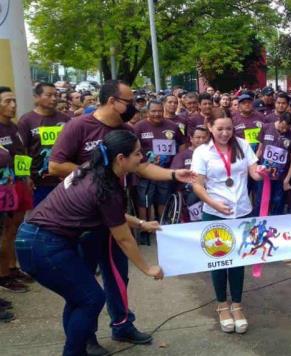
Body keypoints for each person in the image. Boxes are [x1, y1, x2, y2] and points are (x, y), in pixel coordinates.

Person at [49, 80, 195, 353]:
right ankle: (86, 335)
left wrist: (175, 174)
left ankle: (122, 324)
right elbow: (55, 165)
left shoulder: (126, 130)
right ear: (111, 101)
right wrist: (96, 174)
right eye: (129, 101)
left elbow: (143, 166)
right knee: (85, 284)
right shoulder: (79, 126)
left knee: (117, 273)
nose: (133, 106)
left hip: (116, 209)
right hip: (86, 219)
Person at [16, 130, 164, 356]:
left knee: (79, 298)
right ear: (120, 159)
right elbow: (123, 238)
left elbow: (112, 213)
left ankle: (77, 350)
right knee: (91, 299)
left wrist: (142, 224)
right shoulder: (106, 189)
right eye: (136, 153)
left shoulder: (93, 171)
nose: (141, 157)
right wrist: (148, 268)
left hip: (34, 239)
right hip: (44, 245)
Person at [191, 110, 266, 334]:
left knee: (238, 260)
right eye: (220, 129)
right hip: (215, 212)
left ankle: (237, 305)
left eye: (229, 129)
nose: (225, 133)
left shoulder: (242, 145)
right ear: (210, 127)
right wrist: (214, 204)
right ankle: (222, 305)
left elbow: (254, 173)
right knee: (219, 260)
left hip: (242, 211)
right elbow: (197, 185)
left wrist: (262, 171)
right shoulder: (202, 152)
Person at [134, 100, 185, 237]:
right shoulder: (139, 127)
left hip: (165, 172)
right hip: (144, 171)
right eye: (153, 111)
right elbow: (132, 149)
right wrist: (143, 158)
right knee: (144, 201)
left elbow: (182, 144)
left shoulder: (173, 126)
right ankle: (145, 229)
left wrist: (177, 161)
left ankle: (162, 228)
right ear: (147, 112)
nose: (157, 114)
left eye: (159, 111)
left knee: (163, 198)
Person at [0, 86, 34, 295]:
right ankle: (3, 275)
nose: (13, 105)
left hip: (20, 184)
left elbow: (22, 155)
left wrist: (27, 177)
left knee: (14, 229)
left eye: (14, 101)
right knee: (4, 231)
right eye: (7, 101)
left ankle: (12, 268)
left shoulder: (14, 127)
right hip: (3, 188)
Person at [17, 82, 70, 207]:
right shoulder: (26, 120)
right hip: (39, 182)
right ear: (37, 97)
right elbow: (21, 151)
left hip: (63, 180)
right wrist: (25, 177)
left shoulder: (65, 119)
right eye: (49, 95)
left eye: (56, 95)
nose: (54, 98)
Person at [255, 113, 291, 215]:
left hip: (280, 177)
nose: (283, 130)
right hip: (263, 174)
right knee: (260, 201)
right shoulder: (266, 128)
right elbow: (260, 150)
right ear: (279, 120)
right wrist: (253, 167)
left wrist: (287, 180)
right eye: (282, 127)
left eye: (286, 128)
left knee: (278, 202)